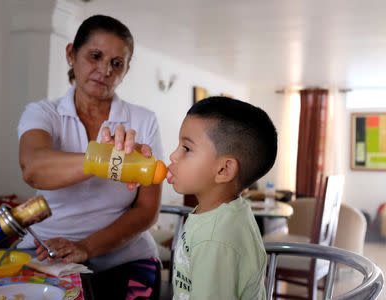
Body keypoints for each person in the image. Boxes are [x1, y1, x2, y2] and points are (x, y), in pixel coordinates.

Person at [17, 15, 162, 299]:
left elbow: (147, 210)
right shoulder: (43, 113)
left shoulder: (143, 120)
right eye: (95, 56)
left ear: (126, 69)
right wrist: (103, 160)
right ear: (71, 54)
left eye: (116, 63)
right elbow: (33, 167)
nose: (105, 70)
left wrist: (86, 247)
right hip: (48, 252)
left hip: (126, 256)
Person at [167, 96, 278, 299]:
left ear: (224, 169)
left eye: (186, 148)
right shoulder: (220, 213)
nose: (173, 156)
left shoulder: (215, 240)